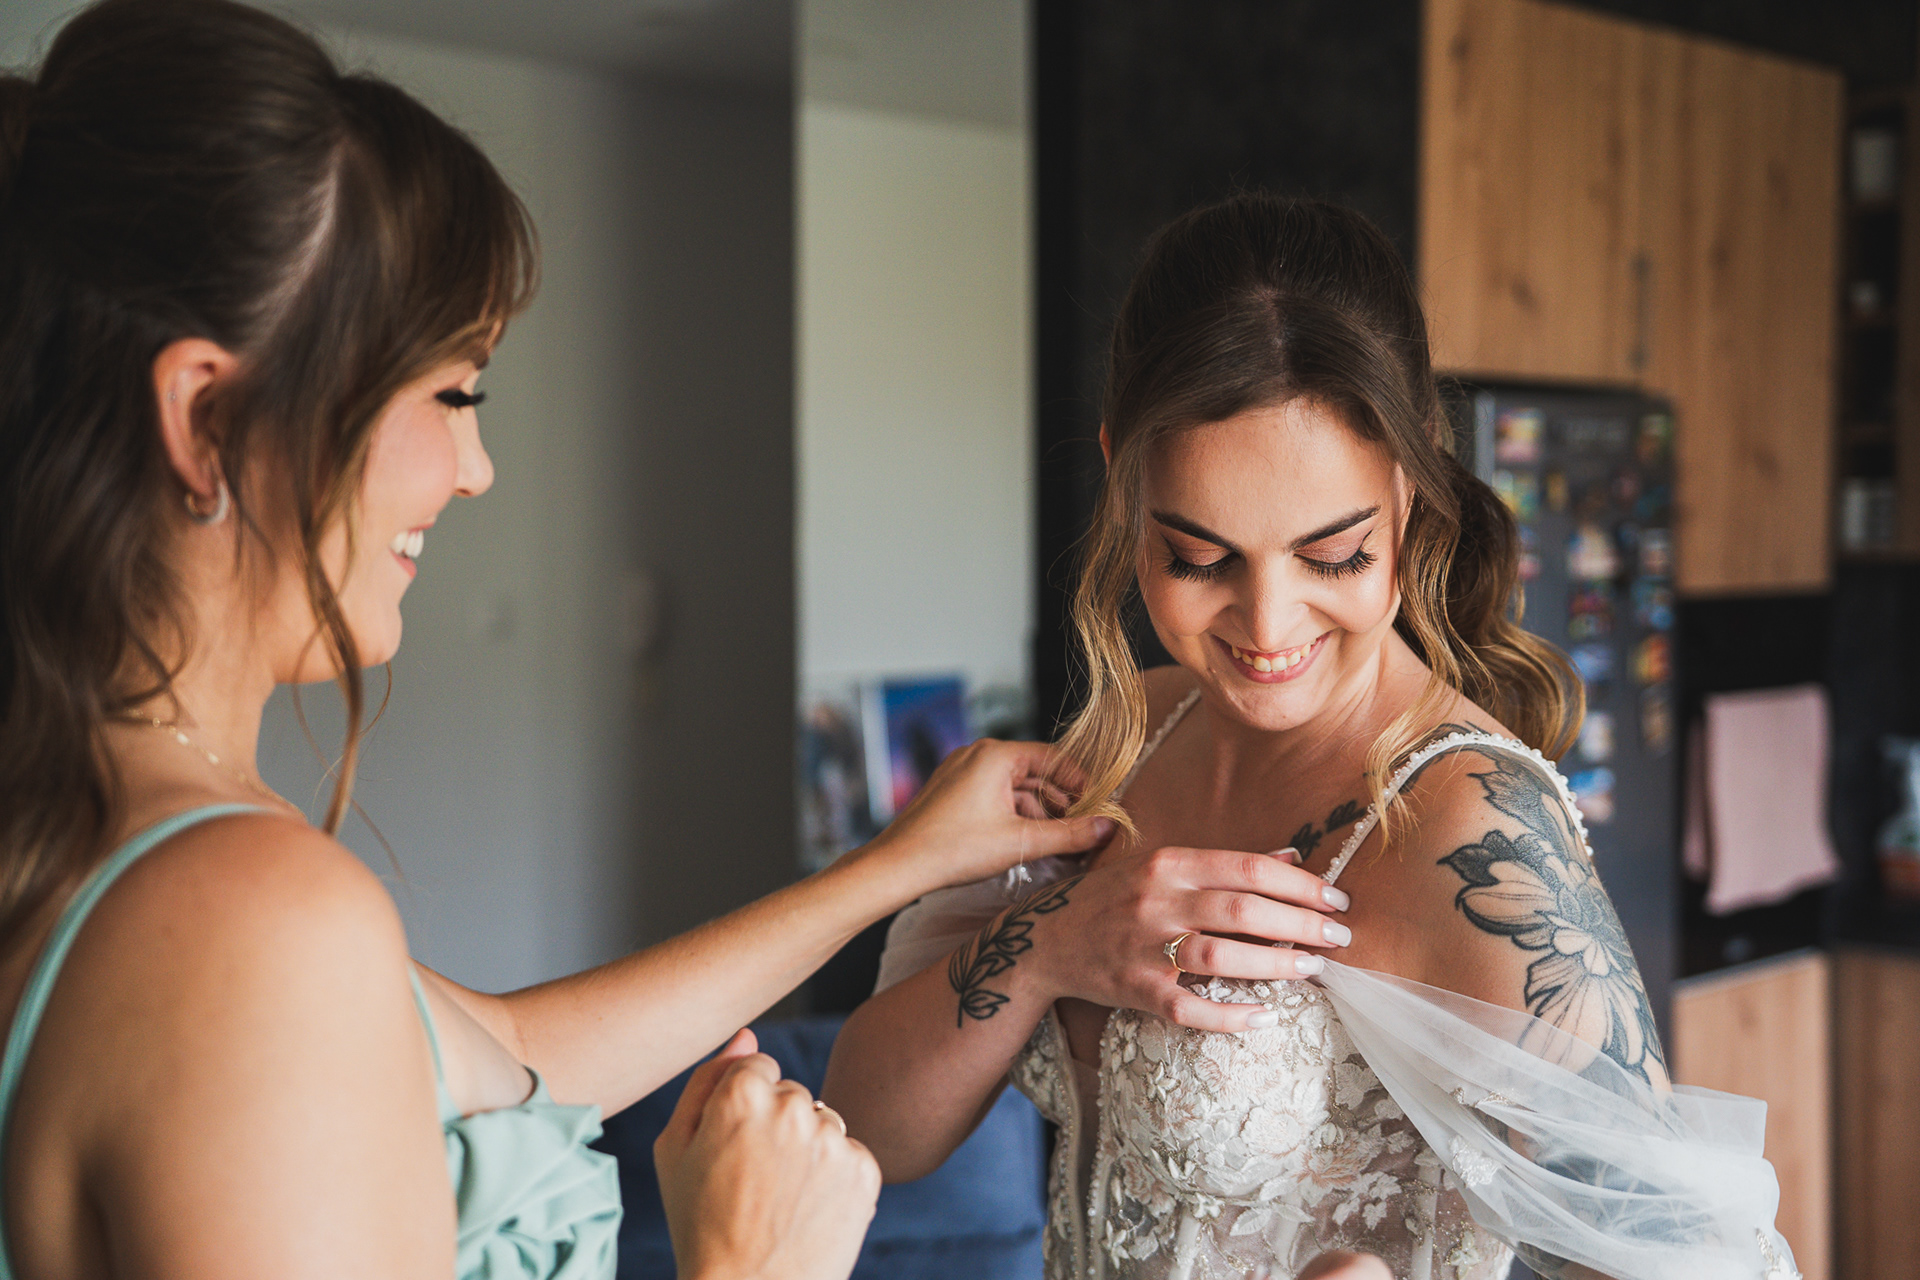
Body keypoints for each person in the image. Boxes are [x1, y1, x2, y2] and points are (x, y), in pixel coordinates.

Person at [0, 3, 1327, 1277]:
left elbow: (510, 1048)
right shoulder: (247, 920)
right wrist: (751, 1257)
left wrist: (894, 867)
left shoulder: (102, 835)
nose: (474, 466)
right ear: (207, 421)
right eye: (451, 392)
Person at [825, 195, 1800, 1280]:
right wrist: (1056, 938)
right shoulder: (1135, 731)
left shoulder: (1466, 831)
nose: (1267, 625)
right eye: (1199, 557)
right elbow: (869, 1128)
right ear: (1121, 476)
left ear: (1413, 482)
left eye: (1333, 556)